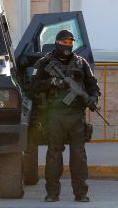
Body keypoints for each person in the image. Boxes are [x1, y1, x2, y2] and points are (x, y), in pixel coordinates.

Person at [32, 30, 100, 203]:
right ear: (57, 43)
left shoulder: (81, 63)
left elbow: (93, 86)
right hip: (55, 115)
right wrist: (53, 82)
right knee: (54, 154)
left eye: (70, 42)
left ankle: (81, 193)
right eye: (64, 42)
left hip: (77, 115)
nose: (67, 45)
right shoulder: (44, 63)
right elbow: (33, 87)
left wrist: (92, 98)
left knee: (78, 155)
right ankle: (52, 193)